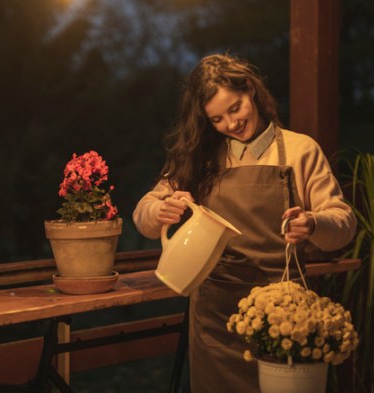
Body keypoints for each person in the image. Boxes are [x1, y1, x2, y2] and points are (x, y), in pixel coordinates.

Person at [132, 53, 356, 392]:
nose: (231, 124)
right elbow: (143, 214)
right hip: (215, 318)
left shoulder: (300, 150)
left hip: (284, 319)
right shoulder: (200, 156)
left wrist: (312, 223)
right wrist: (161, 209)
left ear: (251, 91)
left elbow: (343, 223)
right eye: (217, 119)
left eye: (235, 108)